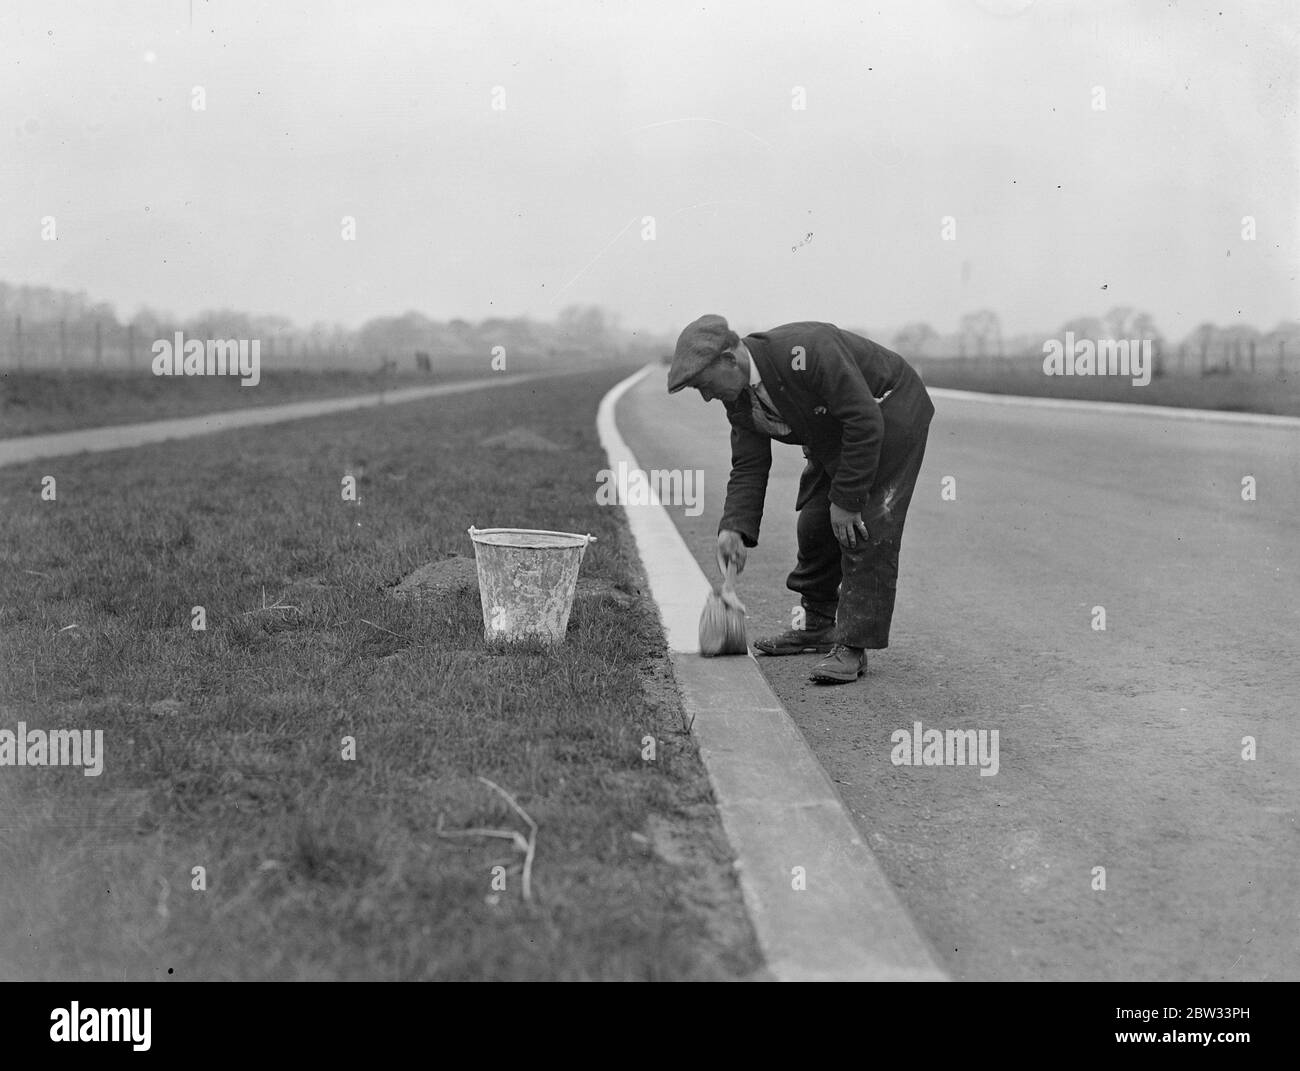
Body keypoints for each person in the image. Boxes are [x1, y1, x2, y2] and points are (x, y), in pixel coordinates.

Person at [667, 315, 934, 684]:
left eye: (704, 385)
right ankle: (819, 625)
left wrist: (849, 499)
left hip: (889, 411)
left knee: (862, 524)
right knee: (814, 519)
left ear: (730, 359)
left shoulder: (807, 349)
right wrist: (734, 528)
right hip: (837, 429)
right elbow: (748, 465)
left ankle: (853, 646)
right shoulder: (740, 399)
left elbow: (864, 419)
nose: (707, 396)